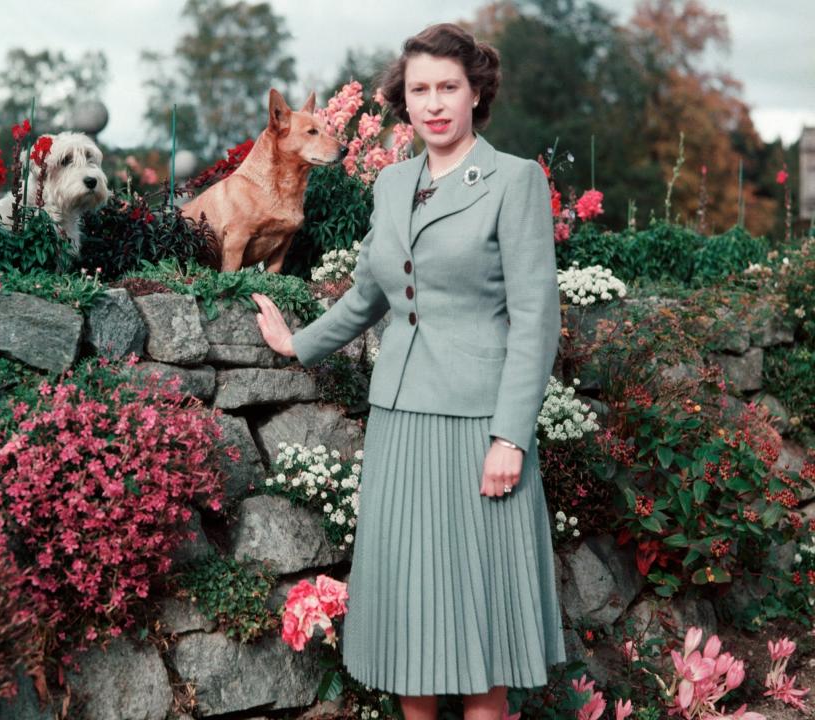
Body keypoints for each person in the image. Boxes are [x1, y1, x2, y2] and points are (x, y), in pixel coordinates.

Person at [250, 22, 565, 720]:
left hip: (482, 432)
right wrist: (296, 343)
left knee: (484, 642)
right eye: (419, 89)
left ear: (476, 90)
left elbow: (537, 320)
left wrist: (511, 437)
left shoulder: (514, 181)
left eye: (448, 86)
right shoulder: (392, 185)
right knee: (410, 635)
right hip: (400, 425)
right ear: (403, 100)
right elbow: (369, 295)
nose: (434, 102)